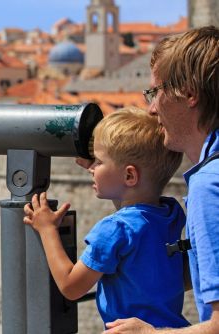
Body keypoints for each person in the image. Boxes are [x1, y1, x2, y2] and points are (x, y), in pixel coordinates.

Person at [24, 107, 189, 328]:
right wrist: (106, 167)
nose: (92, 168)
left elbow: (71, 287)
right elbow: (131, 201)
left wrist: (47, 230)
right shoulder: (170, 214)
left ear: (129, 175)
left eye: (98, 162)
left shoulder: (115, 230)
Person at [102, 26, 219, 334]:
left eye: (155, 92)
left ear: (190, 94)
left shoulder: (210, 185)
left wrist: (153, 333)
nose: (151, 109)